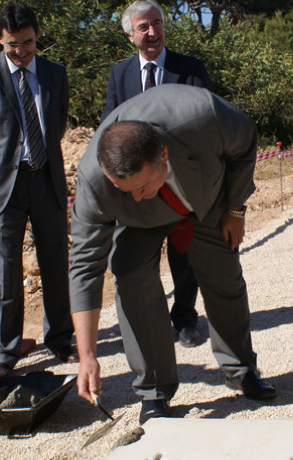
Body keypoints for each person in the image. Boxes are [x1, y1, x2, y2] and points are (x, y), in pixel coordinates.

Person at [69, 84, 276, 424]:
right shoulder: (94, 181)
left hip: (204, 199)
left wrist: (235, 208)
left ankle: (241, 369)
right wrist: (87, 355)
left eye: (141, 187)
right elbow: (84, 268)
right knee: (130, 275)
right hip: (140, 224)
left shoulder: (204, 115)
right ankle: (154, 392)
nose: (136, 196)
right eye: (125, 190)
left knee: (224, 277)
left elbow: (245, 142)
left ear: (163, 155)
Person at [0, 3, 77, 379]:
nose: (21, 51)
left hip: (46, 179)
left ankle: (60, 338)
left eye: (27, 42)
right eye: (12, 45)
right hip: (3, 187)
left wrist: (38, 156)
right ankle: (4, 352)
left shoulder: (55, 74)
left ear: (37, 34)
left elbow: (56, 123)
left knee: (56, 264)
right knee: (6, 271)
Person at [101, 0, 213, 348]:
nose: (152, 33)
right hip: (138, 188)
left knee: (184, 255)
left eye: (157, 23)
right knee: (141, 257)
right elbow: (110, 124)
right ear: (129, 34)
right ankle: (151, 321)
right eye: (143, 27)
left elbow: (207, 121)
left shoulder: (190, 68)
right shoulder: (120, 75)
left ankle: (185, 319)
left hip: (180, 184)